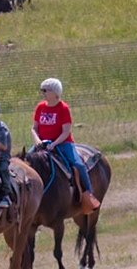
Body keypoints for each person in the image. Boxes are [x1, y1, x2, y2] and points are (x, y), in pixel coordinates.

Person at [32, 78, 102, 212]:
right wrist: (37, 140)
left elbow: (66, 131)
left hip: (63, 143)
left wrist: (54, 144)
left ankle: (88, 195)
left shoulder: (63, 108)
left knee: (78, 165)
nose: (43, 93)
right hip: (42, 144)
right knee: (27, 163)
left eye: (45, 90)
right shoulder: (40, 107)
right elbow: (34, 128)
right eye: (42, 90)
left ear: (55, 93)